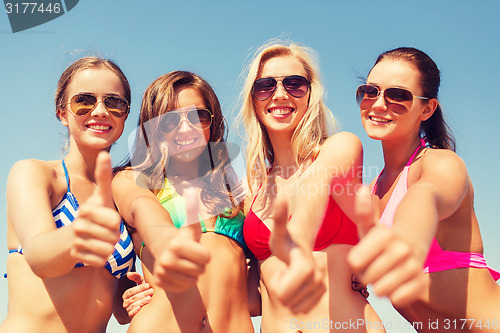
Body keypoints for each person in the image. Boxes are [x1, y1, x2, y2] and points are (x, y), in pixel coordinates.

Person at [348, 47, 500, 332]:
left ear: (427, 109)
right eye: (371, 91)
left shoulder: (441, 164)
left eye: (398, 96)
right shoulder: (371, 193)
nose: (379, 104)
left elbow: (427, 197)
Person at [239, 41, 383, 333]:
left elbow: (314, 193)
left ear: (310, 94)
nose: (279, 94)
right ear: (253, 99)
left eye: (294, 84)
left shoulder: (341, 148)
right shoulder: (250, 188)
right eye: (265, 86)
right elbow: (254, 299)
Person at [112, 71, 258, 332]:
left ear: (213, 121)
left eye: (197, 116)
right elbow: (140, 206)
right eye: (169, 121)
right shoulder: (133, 180)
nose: (185, 127)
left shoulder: (236, 193)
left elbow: (257, 299)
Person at [1, 57, 136, 332]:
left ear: (124, 115)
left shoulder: (122, 195)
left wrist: (139, 296)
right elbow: (40, 257)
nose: (100, 111)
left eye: (114, 103)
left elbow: (121, 312)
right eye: (84, 101)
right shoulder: (35, 174)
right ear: (62, 113)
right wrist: (78, 234)